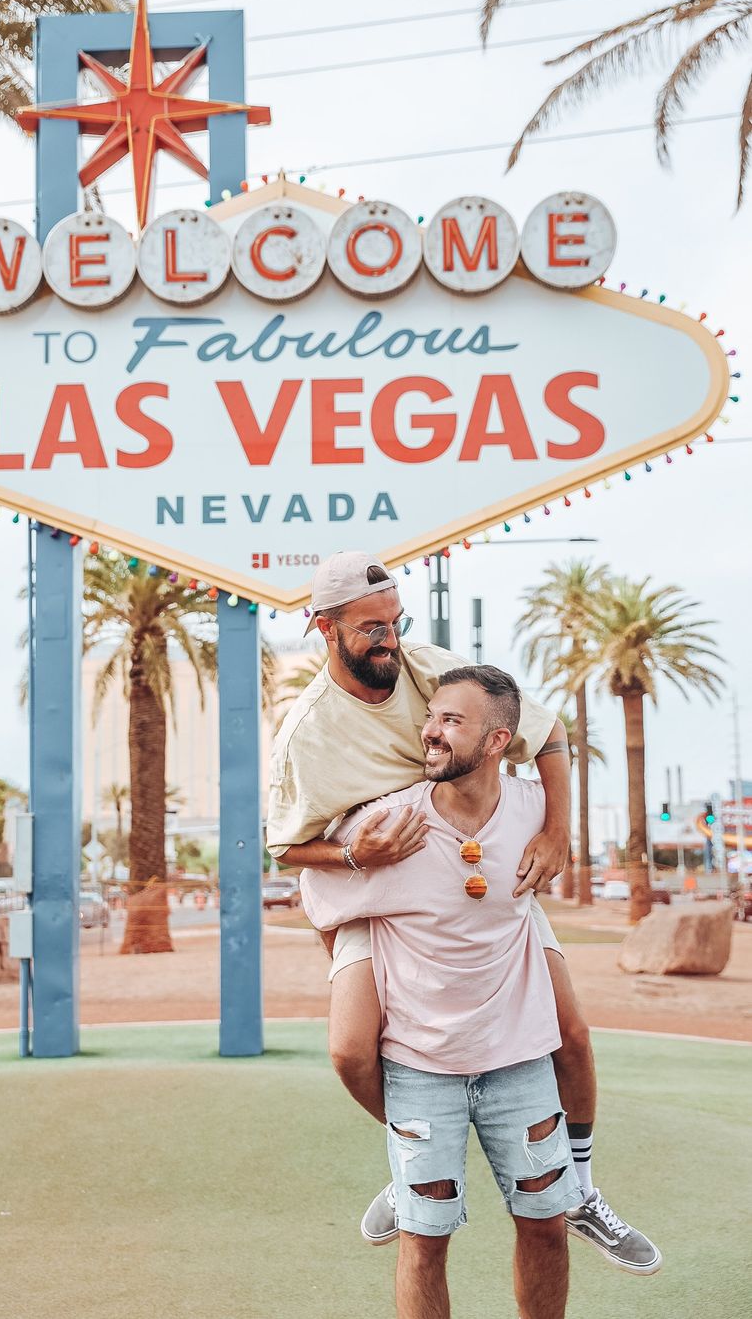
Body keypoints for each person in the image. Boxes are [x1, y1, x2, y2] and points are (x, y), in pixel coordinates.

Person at [267, 551, 660, 1274]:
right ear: (325, 628)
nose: (391, 639)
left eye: (396, 621)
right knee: (351, 1049)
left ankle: (579, 1189)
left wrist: (556, 832)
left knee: (571, 1033)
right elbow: (285, 847)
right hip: (375, 894)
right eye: (372, 628)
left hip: (478, 874)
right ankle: (410, 1158)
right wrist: (355, 854)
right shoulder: (307, 733)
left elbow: (547, 734)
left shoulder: (430, 668)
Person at [299, 666, 585, 1319]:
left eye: (451, 721)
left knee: (546, 1225)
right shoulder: (389, 824)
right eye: (431, 716)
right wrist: (362, 970)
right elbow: (316, 894)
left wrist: (560, 831)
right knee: (423, 1242)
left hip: (519, 1063)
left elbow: (555, 755)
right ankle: (406, 1173)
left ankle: (586, 1193)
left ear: (497, 741)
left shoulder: (535, 812)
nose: (430, 730)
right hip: (419, 1069)